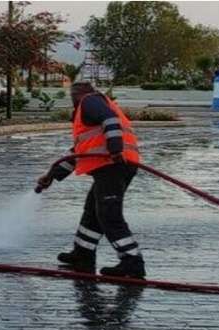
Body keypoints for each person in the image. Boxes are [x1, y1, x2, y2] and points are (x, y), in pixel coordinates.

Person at [37, 82, 145, 279]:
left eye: (72, 95)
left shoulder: (90, 101)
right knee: (93, 210)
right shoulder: (87, 112)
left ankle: (132, 262)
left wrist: (115, 149)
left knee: (108, 214)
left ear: (78, 94)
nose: (71, 100)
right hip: (111, 166)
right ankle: (83, 254)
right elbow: (81, 153)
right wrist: (52, 175)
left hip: (115, 165)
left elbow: (110, 120)